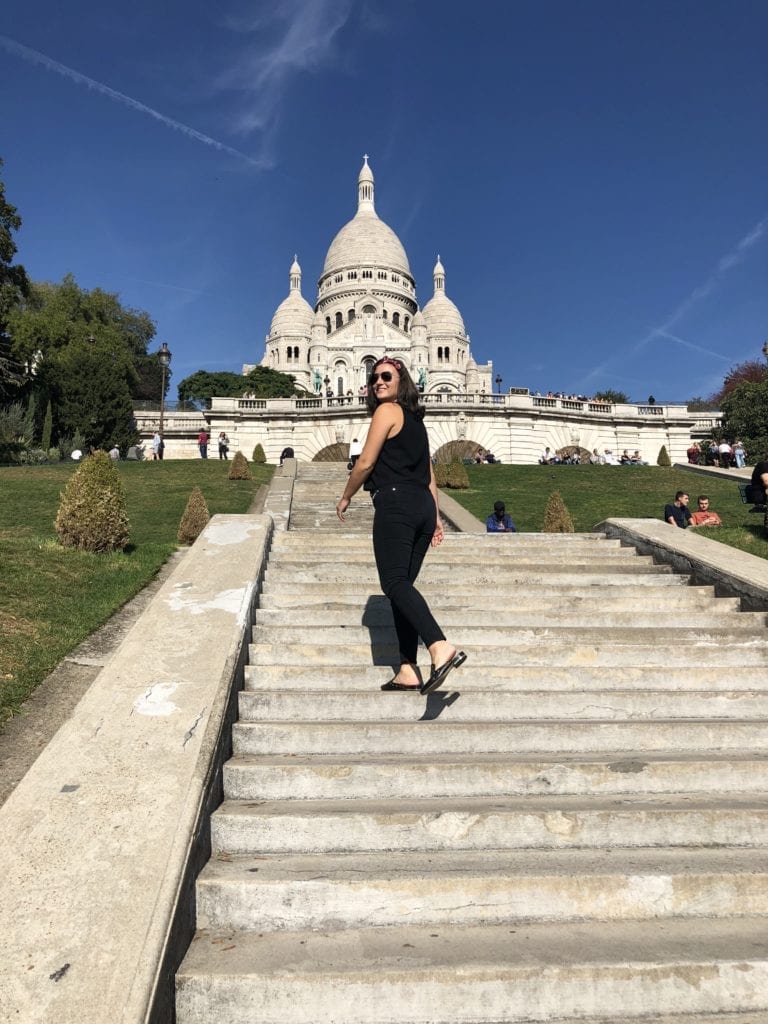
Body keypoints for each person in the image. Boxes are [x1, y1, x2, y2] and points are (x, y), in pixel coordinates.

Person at [335, 356, 466, 695]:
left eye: (386, 376)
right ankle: (407, 669)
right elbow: (430, 475)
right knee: (401, 587)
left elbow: (366, 461)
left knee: (393, 583)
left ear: (400, 381)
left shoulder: (387, 412)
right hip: (421, 505)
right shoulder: (416, 422)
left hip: (396, 502)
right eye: (374, 377)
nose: (378, 382)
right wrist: (435, 516)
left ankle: (439, 646)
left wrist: (347, 495)